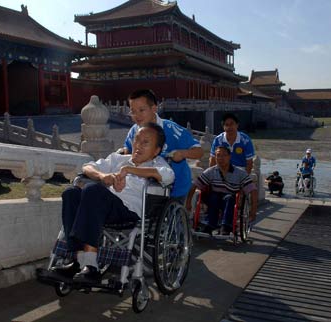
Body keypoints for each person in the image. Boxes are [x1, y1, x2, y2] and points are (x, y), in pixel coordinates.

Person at [54, 123, 174, 284]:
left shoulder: (158, 164)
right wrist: (103, 176)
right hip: (99, 206)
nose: (138, 145)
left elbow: (168, 176)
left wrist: (130, 170)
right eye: (137, 140)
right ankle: (78, 261)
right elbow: (87, 167)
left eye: (146, 142)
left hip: (127, 211)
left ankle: (90, 265)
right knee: (71, 194)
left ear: (157, 150)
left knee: (93, 191)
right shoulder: (118, 159)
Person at [120, 89, 203, 200]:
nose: (137, 116)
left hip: (176, 188)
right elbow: (128, 152)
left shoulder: (171, 129)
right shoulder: (134, 131)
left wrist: (183, 153)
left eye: (141, 110)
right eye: (133, 111)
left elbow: (199, 151)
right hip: (145, 188)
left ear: (154, 108)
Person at [186, 146, 258, 236]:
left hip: (230, 200)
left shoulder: (239, 173)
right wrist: (188, 203)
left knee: (228, 198)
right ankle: (210, 224)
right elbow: (194, 186)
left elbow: (253, 190)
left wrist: (253, 210)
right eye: (218, 155)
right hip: (213, 199)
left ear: (229, 157)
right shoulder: (211, 171)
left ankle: (226, 226)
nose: (220, 158)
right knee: (214, 197)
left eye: (224, 155)